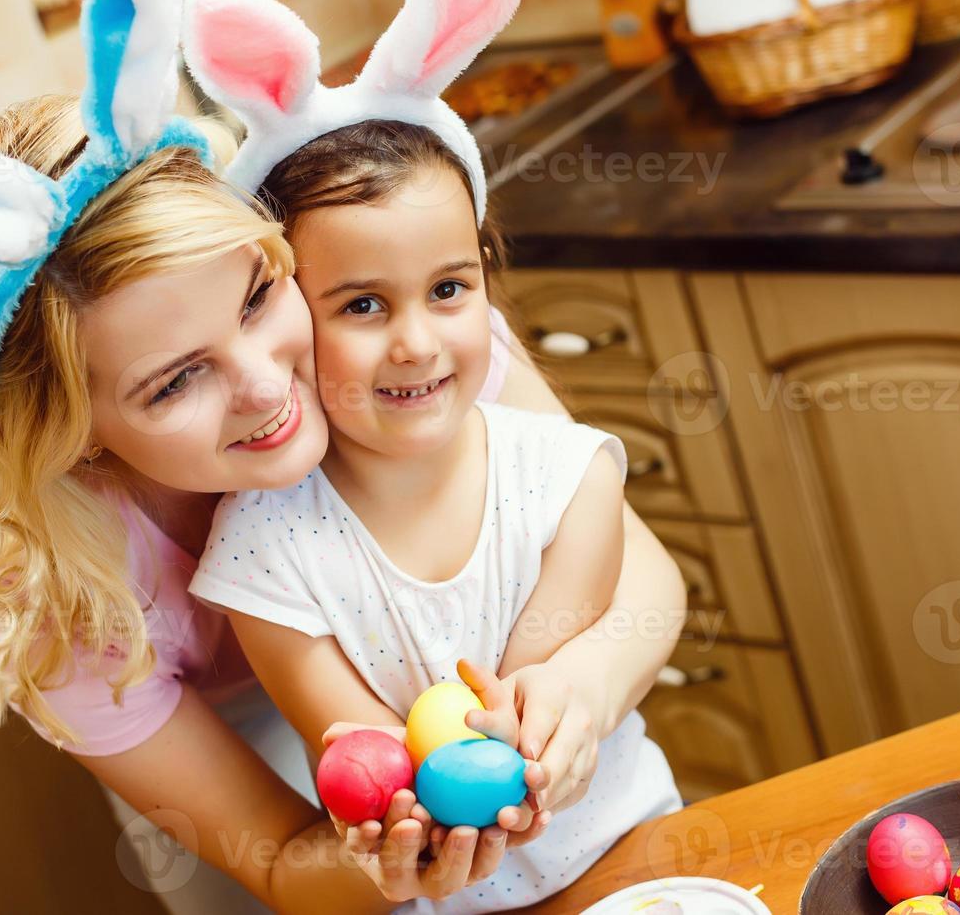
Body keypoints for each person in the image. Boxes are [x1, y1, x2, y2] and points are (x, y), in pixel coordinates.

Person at [0, 0, 686, 910]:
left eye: (254, 295)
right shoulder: (48, 595)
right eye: (174, 382)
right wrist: (389, 864)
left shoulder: (394, 346)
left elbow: (634, 561)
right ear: (77, 435)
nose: (268, 388)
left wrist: (581, 683)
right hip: (242, 753)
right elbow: (283, 858)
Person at [189, 116, 684, 913]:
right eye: (362, 305)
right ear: (285, 320)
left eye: (448, 289)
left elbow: (522, 717)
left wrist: (556, 718)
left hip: (634, 858)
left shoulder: (570, 478)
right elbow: (379, 770)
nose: (416, 342)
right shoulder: (263, 555)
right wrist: (396, 823)